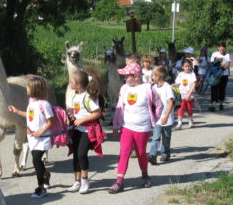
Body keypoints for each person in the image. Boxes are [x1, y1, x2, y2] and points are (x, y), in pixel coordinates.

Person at [110, 62, 158, 193]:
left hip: (143, 128)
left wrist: (156, 119)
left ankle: (145, 175)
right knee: (124, 152)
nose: (124, 78)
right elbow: (119, 107)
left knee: (141, 152)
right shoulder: (124, 88)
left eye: (126, 76)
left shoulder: (148, 88)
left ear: (136, 76)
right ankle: (119, 181)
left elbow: (158, 105)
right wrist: (116, 125)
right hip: (127, 127)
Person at [7, 77, 55, 198]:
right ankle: (45, 175)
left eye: (28, 86)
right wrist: (16, 111)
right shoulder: (31, 103)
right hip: (33, 138)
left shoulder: (45, 104)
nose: (26, 88)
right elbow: (29, 115)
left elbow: (51, 121)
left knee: (36, 160)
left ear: (34, 89)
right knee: (37, 161)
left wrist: (40, 132)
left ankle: (41, 188)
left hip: (42, 138)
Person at [66, 70, 102, 193]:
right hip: (76, 129)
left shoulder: (88, 96)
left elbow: (97, 113)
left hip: (87, 130)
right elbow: (71, 109)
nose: (69, 83)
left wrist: (82, 120)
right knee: (75, 155)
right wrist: (70, 116)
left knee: (81, 154)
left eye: (71, 81)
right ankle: (77, 181)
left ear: (78, 85)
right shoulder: (73, 94)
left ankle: (85, 181)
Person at [148, 66, 174, 165]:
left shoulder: (167, 87)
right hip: (157, 118)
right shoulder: (153, 87)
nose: (152, 77)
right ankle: (153, 155)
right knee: (156, 137)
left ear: (159, 76)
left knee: (166, 138)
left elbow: (171, 102)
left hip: (166, 117)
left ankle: (165, 153)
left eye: (153, 75)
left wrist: (166, 116)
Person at [174, 58, 197, 129]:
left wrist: (189, 94)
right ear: (182, 67)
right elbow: (177, 83)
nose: (187, 68)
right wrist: (172, 85)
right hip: (182, 95)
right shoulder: (181, 74)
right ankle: (179, 123)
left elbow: (194, 84)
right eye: (186, 66)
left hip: (190, 95)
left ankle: (190, 120)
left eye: (189, 66)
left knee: (189, 109)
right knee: (181, 108)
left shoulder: (192, 74)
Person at [209, 43, 231, 111]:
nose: (222, 50)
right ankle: (213, 104)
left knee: (222, 89)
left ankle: (221, 104)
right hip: (215, 74)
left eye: (223, 49)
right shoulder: (214, 54)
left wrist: (223, 67)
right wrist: (216, 64)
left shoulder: (227, 55)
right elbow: (211, 63)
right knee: (214, 88)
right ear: (218, 48)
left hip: (224, 74)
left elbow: (228, 64)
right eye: (220, 49)